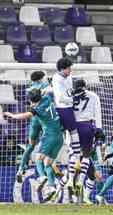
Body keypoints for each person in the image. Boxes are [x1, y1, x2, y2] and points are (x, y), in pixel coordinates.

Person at [4, 89, 64, 201]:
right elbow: (46, 91)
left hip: (49, 136)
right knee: (48, 163)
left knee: (38, 158)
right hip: (60, 137)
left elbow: (24, 116)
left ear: (31, 100)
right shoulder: (47, 98)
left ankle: (42, 178)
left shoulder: (37, 109)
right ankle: (51, 187)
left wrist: (11, 115)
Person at [52, 58, 82, 189]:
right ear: (62, 68)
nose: (70, 70)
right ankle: (75, 156)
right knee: (70, 132)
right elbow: (60, 97)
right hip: (62, 108)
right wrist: (72, 99)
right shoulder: (57, 79)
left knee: (72, 133)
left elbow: (69, 92)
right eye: (69, 68)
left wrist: (73, 95)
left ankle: (75, 156)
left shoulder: (69, 77)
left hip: (69, 106)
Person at [16, 71, 49, 182]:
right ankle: (44, 173)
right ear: (41, 78)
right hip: (45, 119)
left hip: (34, 119)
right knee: (47, 146)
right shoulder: (46, 86)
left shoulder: (29, 89)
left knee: (30, 146)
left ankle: (20, 168)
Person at [71, 79, 104, 191]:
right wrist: (99, 129)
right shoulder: (93, 96)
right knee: (86, 154)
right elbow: (97, 113)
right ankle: (80, 181)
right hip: (87, 126)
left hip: (73, 127)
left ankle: (70, 181)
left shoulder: (69, 96)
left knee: (73, 155)